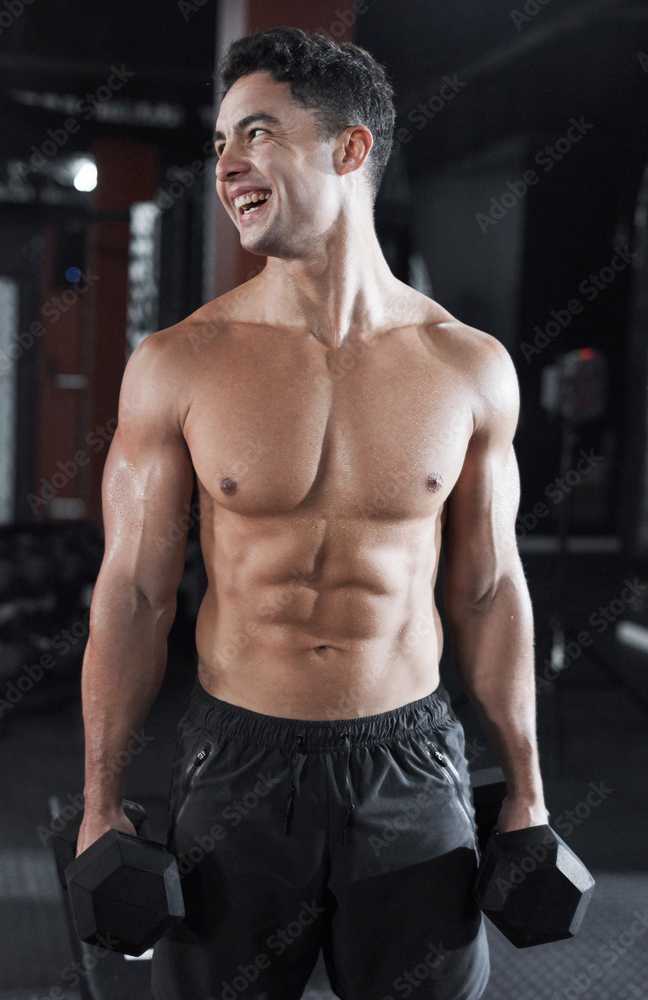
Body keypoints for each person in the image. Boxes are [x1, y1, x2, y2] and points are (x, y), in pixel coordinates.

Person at [76, 26, 548, 1000]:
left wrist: (528, 791)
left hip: (410, 766)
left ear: (348, 148)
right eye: (217, 145)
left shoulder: (466, 365)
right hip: (236, 762)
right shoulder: (180, 363)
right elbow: (131, 594)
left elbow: (490, 589)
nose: (228, 164)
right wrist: (100, 801)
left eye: (256, 134)